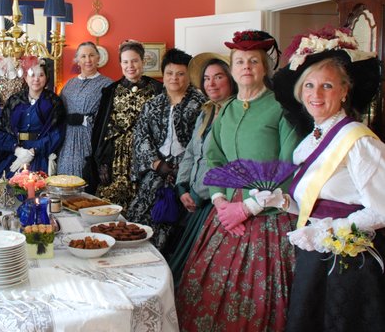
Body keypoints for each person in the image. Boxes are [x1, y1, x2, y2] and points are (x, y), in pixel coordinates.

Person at [176, 30, 302, 331]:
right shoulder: (228, 110)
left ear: (265, 68)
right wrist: (219, 201)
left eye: (254, 61)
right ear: (233, 69)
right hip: (225, 214)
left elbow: (288, 168)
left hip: (267, 215)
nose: (247, 66)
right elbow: (215, 159)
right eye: (241, 61)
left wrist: (246, 209)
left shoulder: (281, 109)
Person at [268, 27, 385, 331]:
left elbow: (382, 210)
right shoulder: (313, 138)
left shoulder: (360, 141)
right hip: (318, 252)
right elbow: (323, 200)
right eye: (309, 85)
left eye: (327, 85)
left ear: (345, 90)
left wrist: (330, 231)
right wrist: (285, 202)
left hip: (349, 262)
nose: (315, 95)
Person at [167, 53, 236, 285]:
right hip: (193, 194)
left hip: (214, 202)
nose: (211, 84)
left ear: (231, 79)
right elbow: (191, 153)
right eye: (207, 79)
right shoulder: (207, 110)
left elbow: (224, 163)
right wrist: (182, 186)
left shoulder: (234, 113)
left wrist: (199, 194)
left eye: (218, 77)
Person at [128, 48, 206, 254]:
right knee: (140, 222)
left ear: (189, 76)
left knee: (178, 233)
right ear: (163, 75)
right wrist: (156, 163)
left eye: (180, 74)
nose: (174, 78)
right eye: (170, 73)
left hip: (186, 177)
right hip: (156, 172)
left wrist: (181, 168)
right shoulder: (152, 104)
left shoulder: (201, 105)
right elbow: (141, 136)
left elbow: (202, 142)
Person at [85, 40, 164, 212]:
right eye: (126, 61)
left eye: (135, 61)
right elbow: (101, 131)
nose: (130, 66)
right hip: (116, 159)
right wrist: (101, 163)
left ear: (143, 62)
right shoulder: (111, 90)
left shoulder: (158, 89)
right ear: (120, 64)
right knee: (110, 209)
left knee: (144, 206)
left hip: (145, 157)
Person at [0, 58, 65, 183]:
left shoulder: (53, 102)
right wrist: (17, 150)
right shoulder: (14, 100)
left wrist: (33, 151)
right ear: (26, 77)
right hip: (16, 152)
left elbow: (57, 133)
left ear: (46, 78)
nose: (36, 79)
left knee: (35, 189)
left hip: (39, 154)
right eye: (32, 74)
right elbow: (2, 130)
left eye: (41, 75)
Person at [57, 42, 112, 177]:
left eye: (91, 55)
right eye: (83, 56)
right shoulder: (69, 85)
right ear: (77, 61)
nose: (88, 60)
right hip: (67, 143)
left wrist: (85, 119)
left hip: (90, 141)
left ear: (98, 58)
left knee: (86, 180)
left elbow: (109, 119)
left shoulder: (108, 85)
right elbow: (58, 112)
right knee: (65, 181)